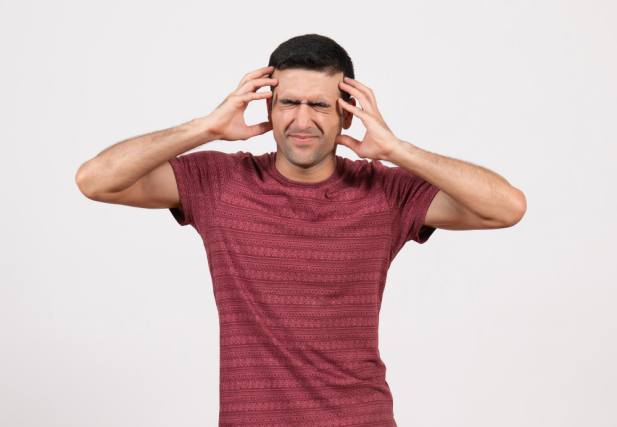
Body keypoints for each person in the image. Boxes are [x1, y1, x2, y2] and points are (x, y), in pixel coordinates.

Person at [76, 33, 526, 426]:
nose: (302, 121)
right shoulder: (219, 184)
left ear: (347, 115)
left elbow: (506, 208)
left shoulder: (385, 193)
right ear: (269, 107)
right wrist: (205, 127)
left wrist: (397, 149)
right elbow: (96, 180)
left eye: (320, 105)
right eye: (289, 103)